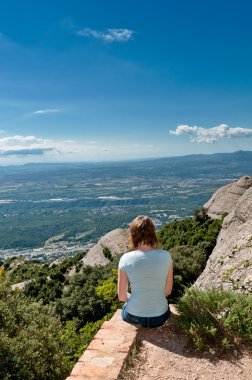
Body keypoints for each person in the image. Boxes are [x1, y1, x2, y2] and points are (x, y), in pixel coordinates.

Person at [118, 215, 173, 328]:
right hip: (160, 316)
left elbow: (122, 297)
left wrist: (133, 297)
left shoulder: (125, 258)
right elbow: (167, 291)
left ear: (133, 236)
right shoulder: (166, 256)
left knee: (124, 307)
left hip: (134, 316)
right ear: (153, 233)